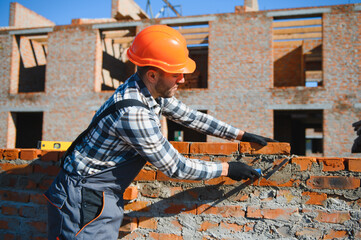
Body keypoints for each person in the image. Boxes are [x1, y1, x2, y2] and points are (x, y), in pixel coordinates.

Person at [44, 25, 276, 239]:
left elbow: (191, 117)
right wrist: (227, 168)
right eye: (176, 73)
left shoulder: (145, 89)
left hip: (96, 193)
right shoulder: (134, 113)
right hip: (84, 196)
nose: (183, 79)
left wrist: (240, 135)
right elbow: (176, 167)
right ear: (153, 75)